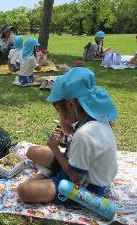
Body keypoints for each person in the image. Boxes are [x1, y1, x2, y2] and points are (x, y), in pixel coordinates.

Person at [17, 67, 118, 205]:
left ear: (71, 104)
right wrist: (62, 110)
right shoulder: (92, 117)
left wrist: (55, 149)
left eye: (58, 109)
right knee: (32, 151)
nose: (60, 114)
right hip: (78, 167)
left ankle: (47, 173)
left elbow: (75, 177)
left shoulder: (84, 135)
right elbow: (68, 130)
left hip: (85, 186)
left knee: (24, 191)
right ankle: (49, 172)